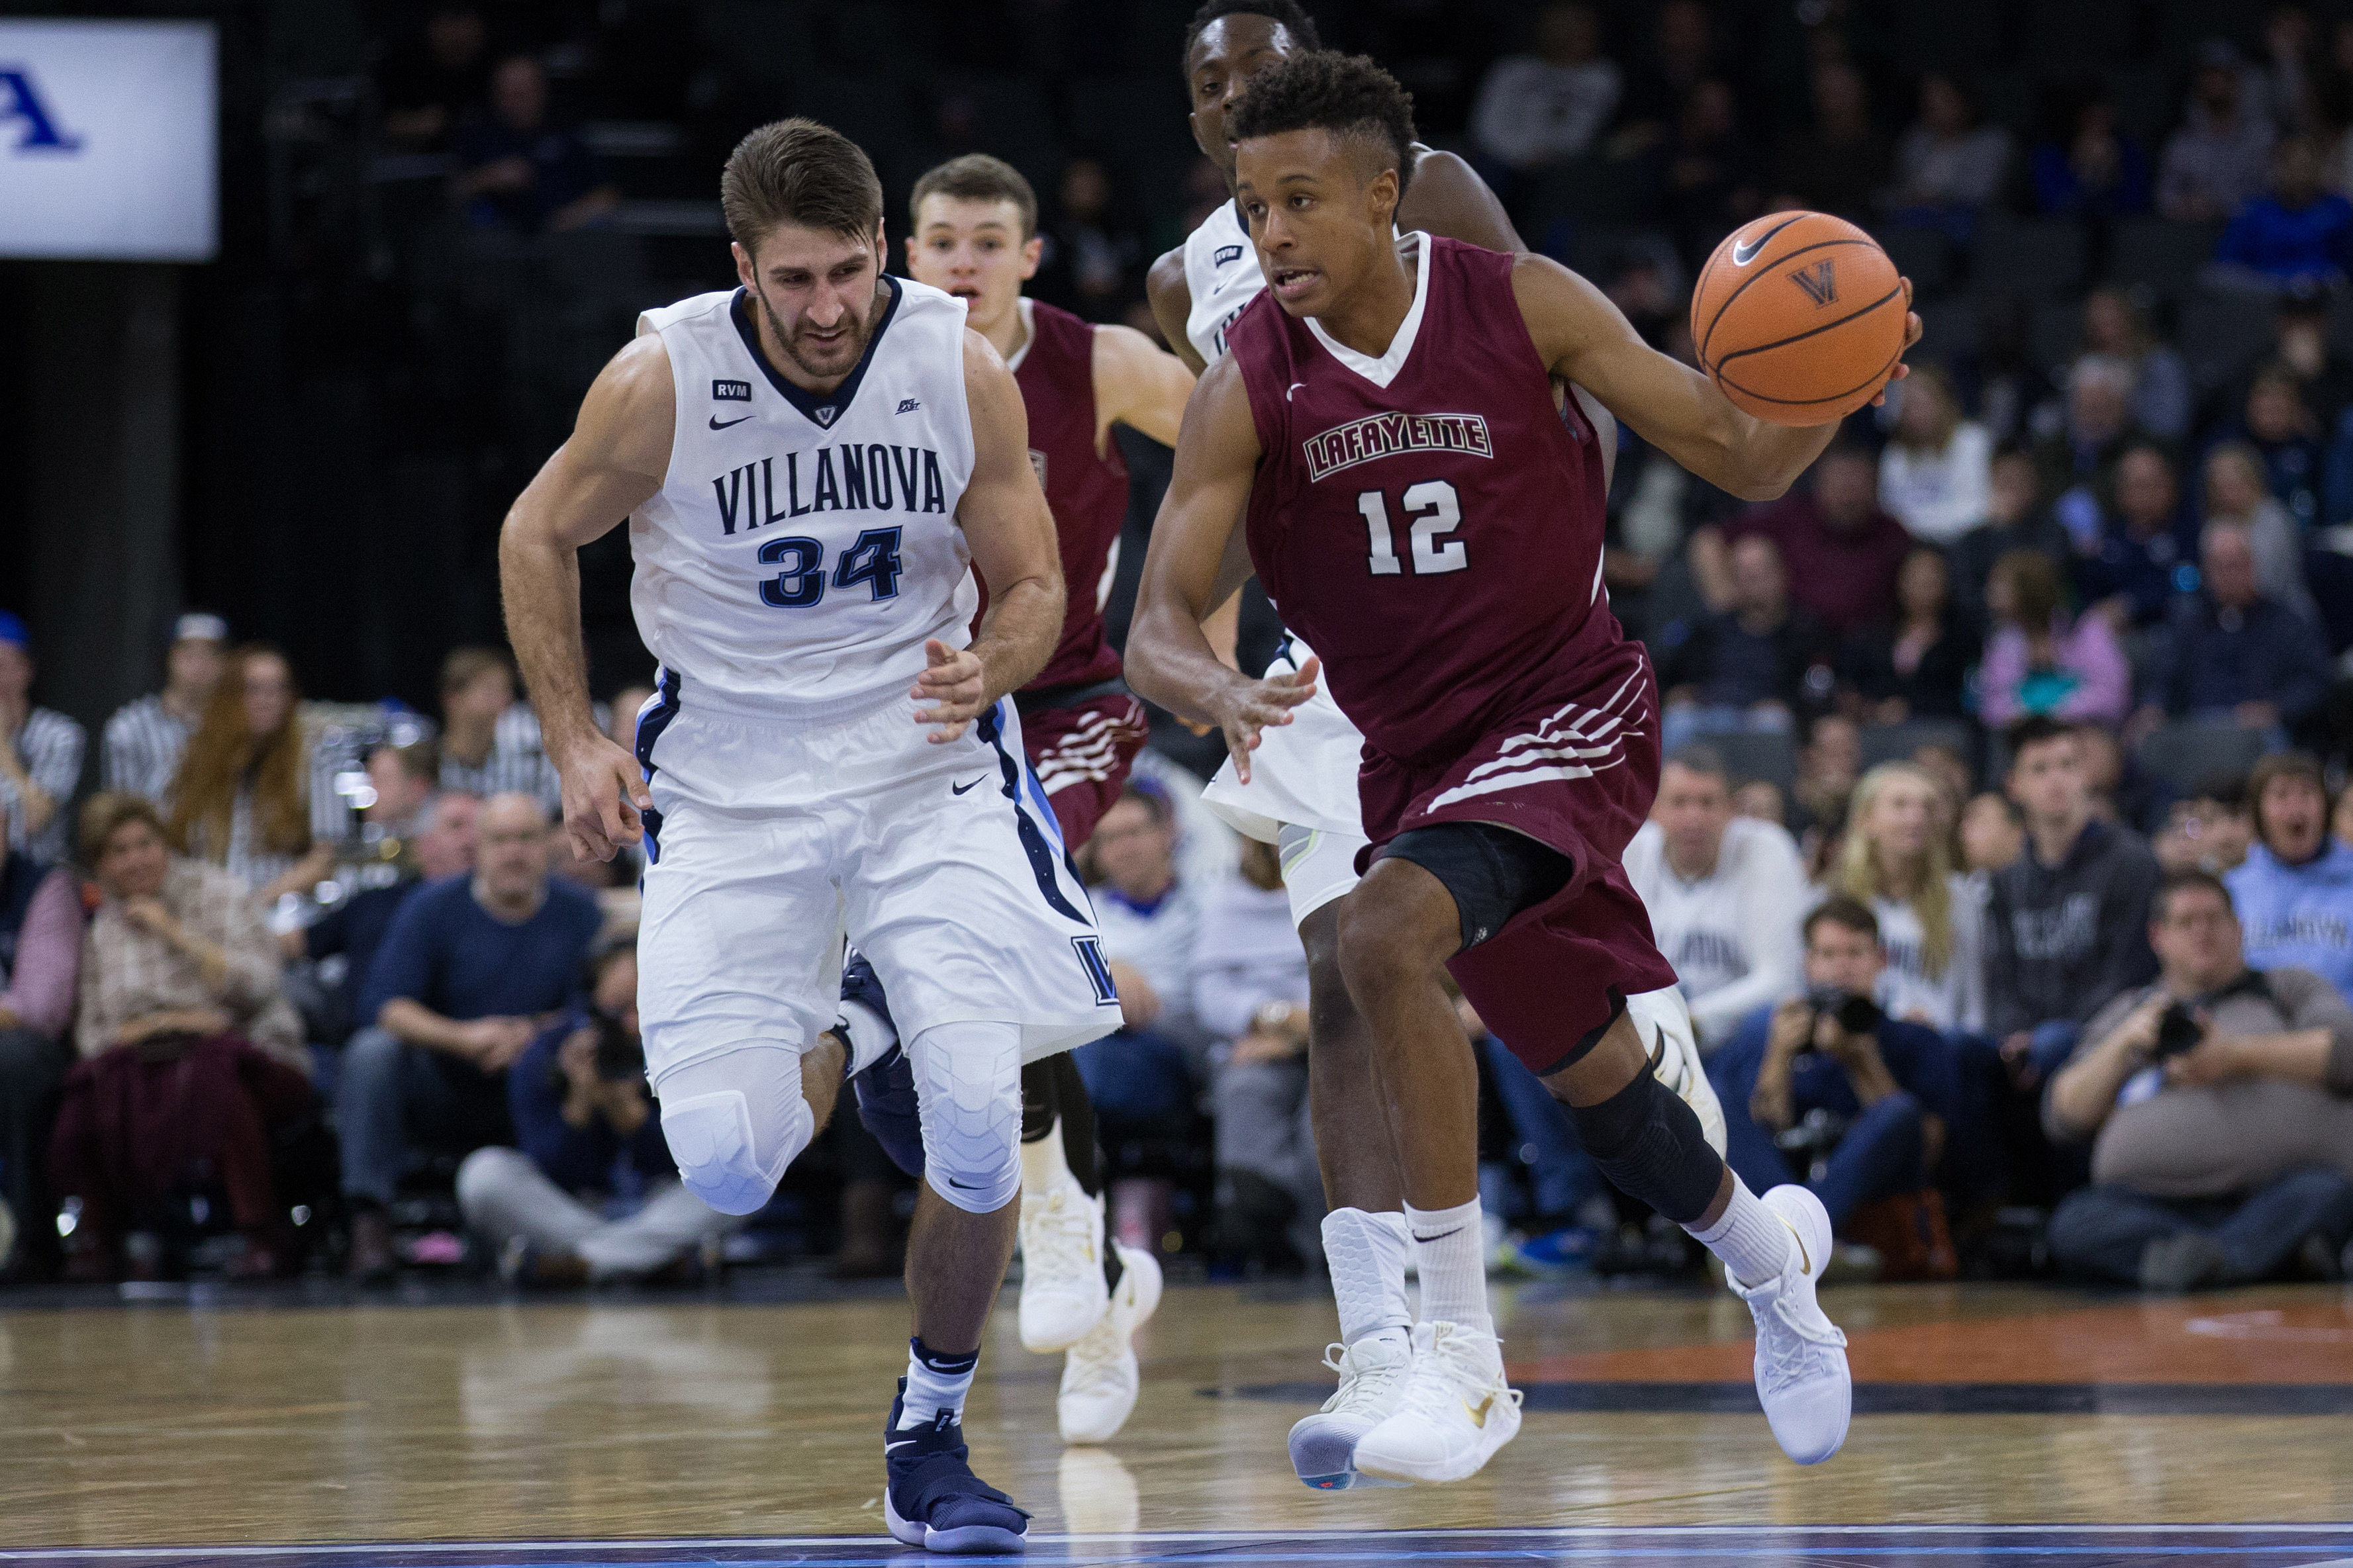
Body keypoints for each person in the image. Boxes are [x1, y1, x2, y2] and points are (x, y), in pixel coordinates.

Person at [1128, 50, 1920, 1482]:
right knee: (1604, 1093)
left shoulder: (1525, 301)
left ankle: (1460, 1364)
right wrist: (1220, 686)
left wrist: (1839, 379)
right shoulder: (1247, 378)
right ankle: (1772, 1263)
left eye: (1301, 200)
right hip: (1413, 759)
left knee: (1376, 938)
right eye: (1252, 208)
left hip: (1569, 706)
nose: (1273, 235)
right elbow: (1155, 627)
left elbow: (1737, 453)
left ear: (1386, 194)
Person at [498, 119, 1122, 1551]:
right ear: (741, 268)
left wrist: (1000, 659)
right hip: (729, 794)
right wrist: (571, 736)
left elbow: (1032, 580)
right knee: (722, 1163)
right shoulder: (659, 380)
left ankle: (929, 1431)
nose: (830, 306)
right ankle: (857, 1018)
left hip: (923, 776)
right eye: (796, 279)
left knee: (977, 1124)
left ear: (884, 252)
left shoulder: (956, 366)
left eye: (851, 271)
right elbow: (537, 532)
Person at [894, 150, 1194, 1442]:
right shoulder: (869, 371)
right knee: (956, 973)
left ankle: (1070, 1241)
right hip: (934, 718)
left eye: (985, 240)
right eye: (941, 239)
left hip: (1070, 698)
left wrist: (1206, 615)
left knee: (1007, 909)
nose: (960, 261)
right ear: (910, 254)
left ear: (1028, 256)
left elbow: (1253, 450)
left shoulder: (1106, 361)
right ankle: (1106, 1277)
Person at [2044, 871, 2353, 1290]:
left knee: (2328, 1195)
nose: (2202, 933)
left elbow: (2346, 1051)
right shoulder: (2132, 1012)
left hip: (2279, 1192)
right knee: (2076, 1221)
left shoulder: (2286, 987)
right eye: (2187, 922)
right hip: (2155, 1205)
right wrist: (2122, 1047)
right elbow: (2063, 1115)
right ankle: (2250, 1258)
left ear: (2240, 929)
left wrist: (2235, 1057)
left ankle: (2202, 1263)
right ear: (2158, 937)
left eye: (2214, 919)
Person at [337, 793, 600, 1283]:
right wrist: (464, 1038)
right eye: (500, 840)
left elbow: (600, 1006)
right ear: (477, 848)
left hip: (542, 1079)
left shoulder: (581, 914)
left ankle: (589, 1202)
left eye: (526, 838)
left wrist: (532, 1034)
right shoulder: (433, 907)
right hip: (448, 1077)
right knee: (371, 1053)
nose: (514, 852)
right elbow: (386, 1004)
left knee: (595, 1050)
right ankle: (368, 1219)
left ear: (548, 845)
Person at [55, 795, 311, 1280]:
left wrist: (174, 932)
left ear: (165, 844)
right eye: (119, 850)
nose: (135, 859)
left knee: (217, 1075)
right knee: (95, 1086)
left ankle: (259, 1233)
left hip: (250, 1052)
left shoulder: (222, 893)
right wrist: (148, 1030)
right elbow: (92, 1029)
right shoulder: (104, 927)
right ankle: (100, 1239)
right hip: (147, 1063)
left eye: (145, 843)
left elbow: (260, 987)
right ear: (102, 863)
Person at [457, 937, 738, 1285]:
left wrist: (636, 1121)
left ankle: (580, 1265)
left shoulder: (691, 1048)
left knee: (744, 1174)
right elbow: (550, 1168)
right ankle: (651, 1262)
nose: (634, 1024)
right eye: (620, 1009)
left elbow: (698, 1159)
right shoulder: (548, 1051)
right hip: (573, 1211)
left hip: (659, 1201)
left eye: (647, 1006)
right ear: (590, 1005)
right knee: (484, 1174)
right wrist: (579, 1104)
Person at [1709, 899, 1959, 1241]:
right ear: (1808, 964)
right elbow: (1768, 1131)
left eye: (1855, 954)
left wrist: (1862, 1061)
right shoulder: (1782, 1034)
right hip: (1787, 1178)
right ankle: (1800, 1238)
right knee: (1718, 1098)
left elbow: (1925, 1152)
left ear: (1880, 960)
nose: (1843, 967)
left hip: (1875, 1197)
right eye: (1828, 955)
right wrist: (1778, 1055)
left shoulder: (1917, 1039)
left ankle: (1789, 1241)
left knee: (1900, 1110)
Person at [1987, 717, 2164, 1085]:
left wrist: (2048, 1036)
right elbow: (2001, 981)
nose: (2057, 780)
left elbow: (2127, 975)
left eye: (2068, 765)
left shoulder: (2132, 862)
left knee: (2051, 1046)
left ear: (2085, 775)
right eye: (2040, 769)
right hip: (2025, 1044)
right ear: (2014, 786)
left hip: (2106, 1040)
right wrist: (2016, 1035)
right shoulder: (2006, 881)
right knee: (1966, 1054)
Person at [1623, 747, 1807, 1050]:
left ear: (1731, 810)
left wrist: (1690, 1021)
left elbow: (1781, 980)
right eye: (1680, 803)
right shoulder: (1630, 851)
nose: (1694, 817)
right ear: (1654, 809)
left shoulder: (1766, 848)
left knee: (1767, 1022)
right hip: (1639, 1040)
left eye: (1707, 803)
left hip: (1731, 1044)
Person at [1192, 837, 1320, 1271]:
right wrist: (1270, 1018)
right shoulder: (1221, 902)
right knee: (1246, 1088)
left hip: (1334, 1037)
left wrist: (1303, 1030)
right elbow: (1209, 993)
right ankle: (1266, 1227)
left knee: (1322, 1118)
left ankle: (1324, 1245)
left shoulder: (1333, 887)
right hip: (1258, 1042)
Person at [292, 790, 480, 1050]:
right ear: (423, 844)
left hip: (464, 1045)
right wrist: (279, 890)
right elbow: (293, 944)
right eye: (457, 827)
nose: (471, 840)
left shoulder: (501, 912)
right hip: (362, 1039)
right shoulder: (374, 904)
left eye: (481, 829)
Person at [164, 644, 336, 905]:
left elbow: (326, 858)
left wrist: (256, 903)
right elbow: (173, 845)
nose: (267, 700)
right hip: (205, 907)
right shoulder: (196, 757)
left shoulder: (313, 758)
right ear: (230, 695)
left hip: (278, 911)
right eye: (254, 689)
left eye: (278, 689)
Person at [1827, 764, 1986, 1034]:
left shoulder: (1960, 898)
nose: (1917, 818)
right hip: (1863, 1039)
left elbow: (1975, 999)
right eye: (1901, 806)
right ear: (1865, 820)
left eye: (1926, 808)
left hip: (1941, 1043)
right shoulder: (1834, 900)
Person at [2141, 522, 2332, 745]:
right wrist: (2153, 708)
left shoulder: (2286, 620)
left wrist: (2275, 709)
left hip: (2261, 729)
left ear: (2253, 565)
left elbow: (2317, 679)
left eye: (2237, 565)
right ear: (2206, 571)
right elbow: (2163, 677)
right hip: (2197, 727)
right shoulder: (2187, 620)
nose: (2230, 575)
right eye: (2221, 566)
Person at [0, 792, 80, 1277]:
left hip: (32, 1050)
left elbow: (39, 1008)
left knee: (15, 1058)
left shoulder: (44, 887)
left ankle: (34, 1236)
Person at [1715, 445, 1913, 640]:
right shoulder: (1792, 517)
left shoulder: (1893, 535)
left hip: (1871, 648)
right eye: (1840, 487)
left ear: (1874, 487)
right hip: (1794, 643)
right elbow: (1710, 539)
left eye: (1856, 487)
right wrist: (1727, 602)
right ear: (1819, 486)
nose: (1848, 499)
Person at [1655, 533, 1829, 755]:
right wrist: (1678, 693)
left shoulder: (1804, 631)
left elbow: (1817, 692)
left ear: (1782, 573)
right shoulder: (1709, 629)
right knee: (1680, 719)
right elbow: (1669, 676)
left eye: (1761, 570)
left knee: (1773, 722)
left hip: (1763, 719)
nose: (1754, 577)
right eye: (1744, 572)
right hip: (1712, 713)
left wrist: (1787, 705)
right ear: (1733, 579)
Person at [2228, 753, 2353, 998]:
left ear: (2326, 808)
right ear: (2258, 812)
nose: (2296, 808)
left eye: (2307, 793)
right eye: (2282, 795)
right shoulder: (2232, 889)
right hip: (2254, 1026)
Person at [451, 54, 618, 234]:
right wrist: (487, 178)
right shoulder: (478, 133)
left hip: (563, 234)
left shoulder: (566, 131)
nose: (514, 103)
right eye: (506, 94)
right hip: (497, 238)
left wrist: (571, 217)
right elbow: (451, 191)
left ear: (541, 91)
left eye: (522, 93)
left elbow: (606, 192)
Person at [1979, 548, 2131, 730]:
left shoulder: (2085, 628)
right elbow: (1991, 706)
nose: (1990, 596)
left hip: (2083, 729)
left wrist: (2056, 711)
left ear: (2029, 589)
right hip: (2026, 734)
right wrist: (2028, 715)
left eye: (1999, 587)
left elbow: (2113, 697)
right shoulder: (2003, 641)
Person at [1467, 3, 1621, 177]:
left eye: (1588, 27)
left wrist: (1549, 154)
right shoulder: (1512, 70)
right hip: (1503, 162)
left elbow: (1585, 130)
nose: (1583, 34)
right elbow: (1487, 127)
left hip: (1565, 166)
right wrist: (1524, 155)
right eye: (1572, 26)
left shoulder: (1601, 76)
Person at [101, 612, 229, 806]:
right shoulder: (128, 727)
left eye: (211, 654)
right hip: (156, 832)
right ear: (168, 659)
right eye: (188, 654)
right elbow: (122, 814)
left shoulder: (239, 723)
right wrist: (178, 774)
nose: (199, 664)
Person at [1841, 547, 1975, 725]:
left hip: (1938, 732)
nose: (1923, 585)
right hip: (1877, 731)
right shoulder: (1874, 635)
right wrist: (1875, 709)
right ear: (1900, 580)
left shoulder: (1960, 639)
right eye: (1915, 577)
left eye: (1931, 578)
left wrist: (1912, 709)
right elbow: (1851, 687)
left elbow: (1965, 696)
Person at [1950, 448, 2072, 638]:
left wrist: (2005, 530)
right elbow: (1966, 594)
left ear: (2034, 484)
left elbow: (2039, 584)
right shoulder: (1971, 540)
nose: (2010, 486)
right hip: (1986, 629)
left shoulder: (2054, 531)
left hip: (2043, 630)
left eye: (2018, 478)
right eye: (2003, 479)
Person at [2075, 442, 2195, 629]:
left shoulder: (2189, 535)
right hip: (2110, 637)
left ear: (2171, 487)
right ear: (2120, 493)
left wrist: (2132, 605)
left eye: (2152, 486)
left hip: (2168, 634)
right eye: (2135, 486)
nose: (2144, 496)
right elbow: (2088, 592)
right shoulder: (2109, 538)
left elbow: (2189, 586)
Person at [2212, 134, 2353, 290]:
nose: (2298, 174)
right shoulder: (2253, 212)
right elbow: (2226, 266)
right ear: (2278, 167)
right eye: (2291, 165)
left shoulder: (2339, 210)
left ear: (2318, 166)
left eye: (2304, 166)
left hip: (2325, 299)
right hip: (2265, 298)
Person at [0, 612, 85, 868]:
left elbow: (35, 818)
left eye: (1, 666)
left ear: (25, 671)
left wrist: (3, 746)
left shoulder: (61, 735)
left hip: (39, 876)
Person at [2158, 42, 2276, 222]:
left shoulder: (2262, 137)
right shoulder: (2183, 142)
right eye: (2208, 75)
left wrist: (2219, 207)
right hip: (2193, 236)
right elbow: (2164, 195)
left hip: (2246, 238)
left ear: (2237, 80)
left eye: (2223, 75)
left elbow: (2271, 196)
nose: (2215, 83)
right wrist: (2184, 204)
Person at [1877, 367, 1992, 548]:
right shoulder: (1895, 454)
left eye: (1923, 403)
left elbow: (1979, 510)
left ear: (1944, 401)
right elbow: (1892, 518)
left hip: (1967, 545)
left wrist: (1918, 523)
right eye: (1909, 405)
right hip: (1911, 549)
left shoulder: (1972, 441)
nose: (1916, 413)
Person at [432, 648, 561, 809]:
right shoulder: (431, 760)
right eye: (491, 691)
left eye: (507, 691)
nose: (506, 700)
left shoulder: (531, 745)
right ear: (452, 699)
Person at [2203, 441, 2316, 618]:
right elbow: (2211, 585)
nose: (2229, 492)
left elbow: (2272, 584)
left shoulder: (2275, 518)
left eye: (2235, 483)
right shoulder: (2213, 527)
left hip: (2283, 612)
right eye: (2222, 486)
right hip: (2231, 615)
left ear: (2253, 481)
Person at [1888, 74, 2010, 217]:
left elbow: (1979, 194)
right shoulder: (1916, 140)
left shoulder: (1990, 142)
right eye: (1929, 102)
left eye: (1945, 100)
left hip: (1968, 227)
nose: (1935, 107)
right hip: (1911, 223)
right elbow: (1901, 190)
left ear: (1966, 102)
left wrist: (1931, 198)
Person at [2079, 288, 2191, 443]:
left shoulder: (2160, 363)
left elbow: (2172, 425)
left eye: (2112, 315)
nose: (2105, 322)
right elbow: (2074, 429)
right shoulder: (2086, 364)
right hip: (2099, 448)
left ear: (2128, 317)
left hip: (2147, 447)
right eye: (2098, 317)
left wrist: (2125, 408)